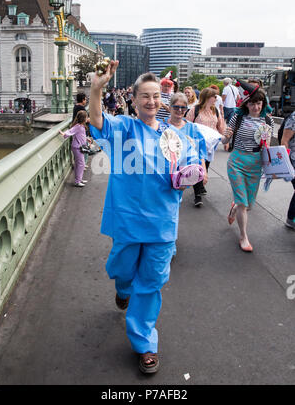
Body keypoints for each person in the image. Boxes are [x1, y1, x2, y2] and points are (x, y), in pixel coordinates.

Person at [88, 62, 200, 374]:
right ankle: (122, 291)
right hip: (127, 220)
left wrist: (194, 173)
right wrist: (97, 88)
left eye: (156, 96)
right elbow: (97, 121)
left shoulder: (173, 136)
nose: (152, 101)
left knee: (150, 283)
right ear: (135, 100)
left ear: (161, 101)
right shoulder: (123, 128)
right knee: (123, 272)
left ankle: (144, 343)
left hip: (162, 223)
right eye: (145, 96)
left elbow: (190, 167)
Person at [222, 80, 274, 252]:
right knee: (243, 203)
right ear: (246, 103)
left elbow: (266, 146)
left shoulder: (268, 120)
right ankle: (243, 236)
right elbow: (225, 140)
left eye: (259, 103)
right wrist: (226, 137)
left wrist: (273, 168)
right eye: (252, 103)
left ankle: (234, 208)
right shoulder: (238, 117)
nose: (256, 107)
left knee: (248, 205)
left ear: (263, 103)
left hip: (255, 164)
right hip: (237, 162)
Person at [186, 88, 226, 206]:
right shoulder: (195, 109)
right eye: (214, 96)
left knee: (206, 166)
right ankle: (197, 195)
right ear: (208, 97)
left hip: (211, 145)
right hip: (197, 143)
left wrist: (225, 139)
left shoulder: (216, 110)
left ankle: (201, 184)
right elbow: (187, 124)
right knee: (198, 166)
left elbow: (220, 125)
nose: (216, 99)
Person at [59, 110, 90, 187]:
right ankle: (77, 181)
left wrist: (86, 139)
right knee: (81, 164)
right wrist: (64, 134)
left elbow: (80, 135)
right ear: (83, 119)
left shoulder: (81, 126)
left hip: (79, 147)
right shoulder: (78, 126)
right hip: (77, 147)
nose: (87, 118)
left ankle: (79, 179)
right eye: (86, 117)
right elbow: (71, 131)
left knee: (79, 164)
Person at [281, 111, 295, 229]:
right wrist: (287, 164)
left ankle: (291, 218)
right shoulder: (294, 118)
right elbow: (284, 141)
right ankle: (291, 219)